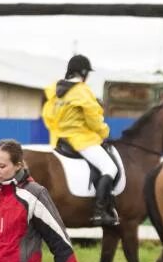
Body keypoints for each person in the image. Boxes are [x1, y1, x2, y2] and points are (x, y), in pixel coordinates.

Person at [42, 54, 120, 227]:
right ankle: (100, 212)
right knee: (110, 167)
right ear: (84, 72)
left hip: (61, 140)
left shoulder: (55, 91)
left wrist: (61, 130)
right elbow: (93, 118)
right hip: (81, 140)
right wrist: (104, 132)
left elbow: (48, 116)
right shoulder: (82, 91)